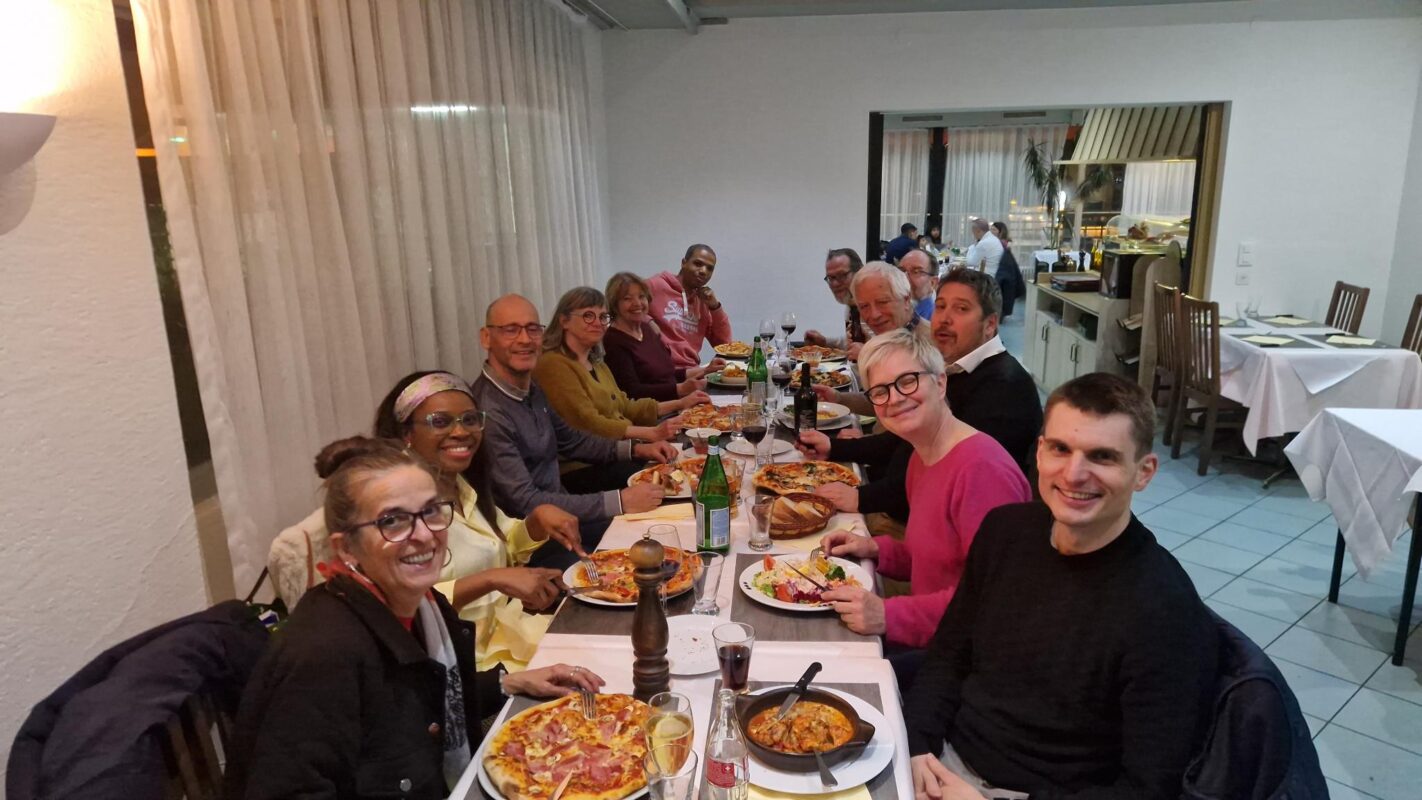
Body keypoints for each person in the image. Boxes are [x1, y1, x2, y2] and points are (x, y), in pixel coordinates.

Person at [230, 437, 606, 799]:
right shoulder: (324, 654)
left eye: (430, 511)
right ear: (347, 548)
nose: (424, 535)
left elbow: (422, 697)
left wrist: (510, 682)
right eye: (392, 521)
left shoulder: (424, 604)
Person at [905, 373, 1219, 800]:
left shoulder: (1164, 608)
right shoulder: (1005, 532)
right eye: (1060, 449)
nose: (1074, 474)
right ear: (1039, 451)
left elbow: (1148, 788)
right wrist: (918, 743)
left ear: (1143, 472)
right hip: (942, 762)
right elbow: (948, 655)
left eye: (1102, 456)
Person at [268, 372, 587, 670]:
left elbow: (500, 542)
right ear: (406, 433)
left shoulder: (459, 482)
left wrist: (536, 521)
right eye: (440, 422)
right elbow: (396, 605)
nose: (461, 431)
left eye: (470, 420)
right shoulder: (394, 505)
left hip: (503, 639)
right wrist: (491, 579)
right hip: (455, 663)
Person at [814, 330, 1030, 661]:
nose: (896, 398)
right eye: (881, 391)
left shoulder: (981, 471)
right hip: (938, 638)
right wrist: (876, 548)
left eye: (908, 381)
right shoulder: (924, 455)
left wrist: (890, 615)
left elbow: (997, 601)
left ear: (940, 383)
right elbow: (938, 561)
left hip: (969, 658)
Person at [799, 270, 1042, 523]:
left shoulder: (1004, 387)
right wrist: (834, 447)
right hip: (902, 513)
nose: (944, 319)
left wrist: (860, 498)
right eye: (940, 306)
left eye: (961, 309)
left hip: (913, 524)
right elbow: (902, 441)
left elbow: (942, 475)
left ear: (990, 324)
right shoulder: (959, 368)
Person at [471, 295, 677, 559]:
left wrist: (638, 450)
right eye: (511, 330)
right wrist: (620, 500)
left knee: (659, 535)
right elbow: (525, 501)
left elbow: (572, 440)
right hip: (531, 540)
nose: (524, 339)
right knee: (637, 562)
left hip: (566, 514)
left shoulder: (530, 388)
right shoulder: (487, 410)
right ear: (486, 338)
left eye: (533, 329)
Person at [534, 286, 710, 441]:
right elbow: (589, 423)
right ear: (564, 321)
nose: (597, 323)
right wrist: (651, 433)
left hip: (622, 445)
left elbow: (626, 406)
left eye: (603, 317)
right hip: (588, 463)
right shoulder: (553, 364)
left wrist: (681, 403)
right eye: (588, 316)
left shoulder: (597, 363)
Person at [603, 271, 723, 401]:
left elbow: (667, 375)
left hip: (674, 400)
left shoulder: (647, 329)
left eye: (641, 296)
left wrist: (705, 371)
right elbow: (632, 392)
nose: (637, 303)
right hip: (653, 413)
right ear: (614, 305)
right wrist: (680, 389)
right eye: (627, 298)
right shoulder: (613, 341)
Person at [648, 244, 732, 369]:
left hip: (691, 371)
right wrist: (648, 322)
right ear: (684, 263)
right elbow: (622, 309)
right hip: (659, 370)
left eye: (710, 268)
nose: (704, 271)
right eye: (698, 264)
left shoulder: (703, 301)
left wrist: (715, 307)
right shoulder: (655, 285)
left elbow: (725, 345)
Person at [803, 248, 869, 357]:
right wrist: (825, 342)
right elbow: (854, 343)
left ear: (860, 272)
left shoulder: (875, 305)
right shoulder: (851, 305)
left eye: (842, 275)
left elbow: (898, 348)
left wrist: (866, 353)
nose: (835, 283)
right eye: (831, 278)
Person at [992, 221, 1024, 317]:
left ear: (1000, 232)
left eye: (993, 229)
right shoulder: (1002, 243)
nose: (991, 231)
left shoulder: (1000, 244)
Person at [899, 248, 937, 323]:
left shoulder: (933, 324)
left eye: (916, 272)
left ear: (932, 283)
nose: (905, 278)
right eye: (901, 271)